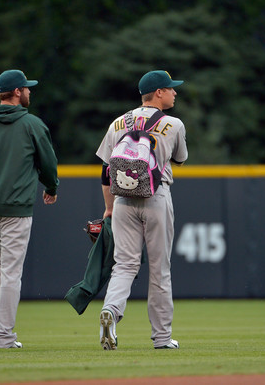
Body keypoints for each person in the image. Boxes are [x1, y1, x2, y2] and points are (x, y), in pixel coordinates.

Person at [0, 69, 59, 349]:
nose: (29, 92)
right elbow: (48, 164)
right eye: (26, 88)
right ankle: (4, 335)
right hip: (16, 206)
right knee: (11, 270)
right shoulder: (32, 124)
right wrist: (51, 188)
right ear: (17, 92)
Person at [96, 70, 188, 350]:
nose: (174, 92)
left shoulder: (117, 122)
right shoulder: (173, 123)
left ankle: (110, 310)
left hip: (122, 199)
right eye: (170, 88)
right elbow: (180, 159)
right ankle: (161, 338)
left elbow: (105, 172)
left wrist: (108, 209)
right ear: (158, 92)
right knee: (160, 269)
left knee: (123, 265)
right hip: (155, 197)